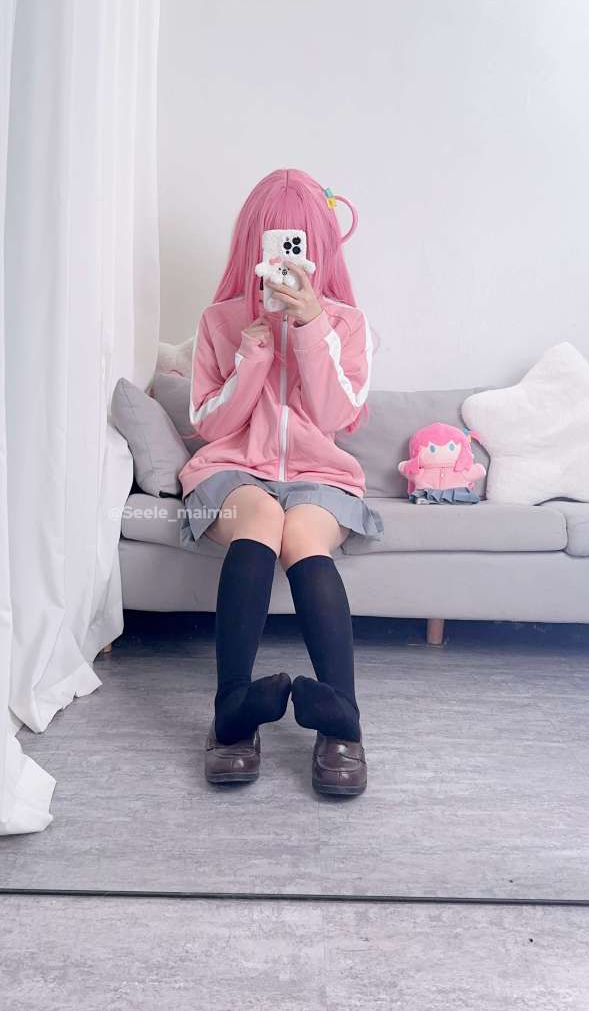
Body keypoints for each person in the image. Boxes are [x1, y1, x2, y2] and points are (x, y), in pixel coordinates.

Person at [178, 168, 384, 796]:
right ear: (254, 244)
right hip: (234, 470)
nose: (285, 262)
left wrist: (313, 328)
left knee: (301, 535)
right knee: (264, 519)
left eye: (297, 246)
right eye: (274, 245)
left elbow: (339, 415)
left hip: (320, 476)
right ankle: (232, 712)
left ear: (319, 249)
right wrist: (255, 352)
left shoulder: (347, 324)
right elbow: (210, 424)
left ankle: (342, 717)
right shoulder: (219, 321)